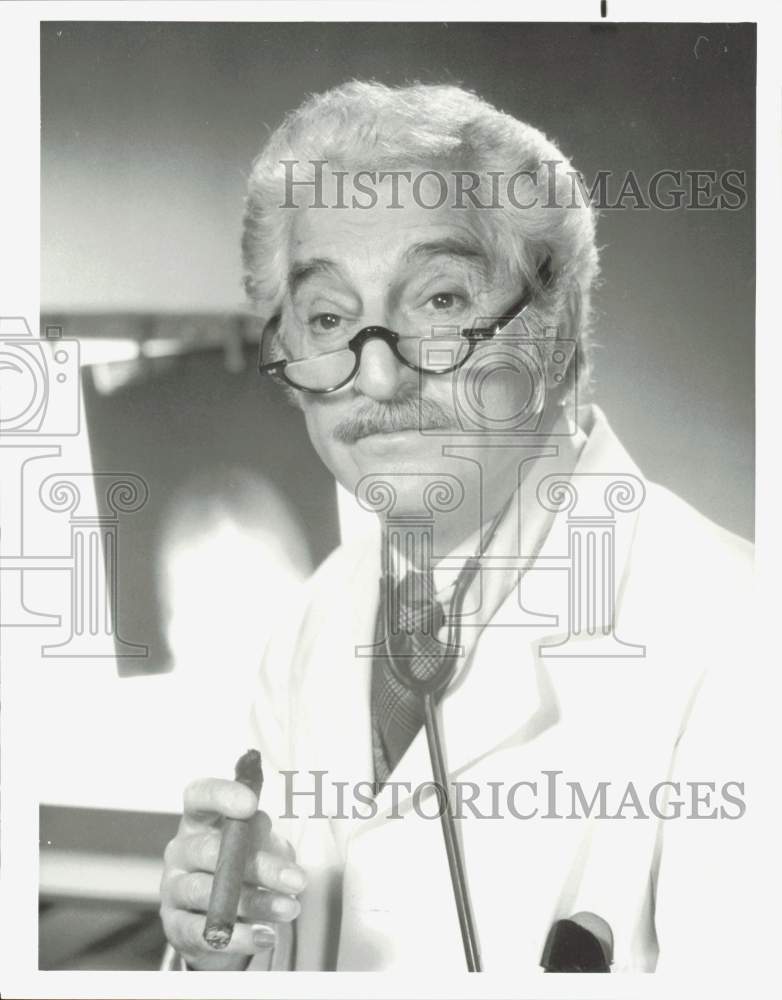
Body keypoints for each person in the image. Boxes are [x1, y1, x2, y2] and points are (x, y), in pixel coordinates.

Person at [159, 81, 755, 973]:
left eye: (439, 304)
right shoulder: (317, 620)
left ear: (558, 333)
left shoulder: (738, 632)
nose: (379, 379)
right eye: (327, 318)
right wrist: (218, 957)